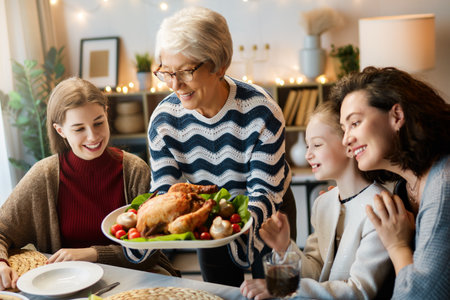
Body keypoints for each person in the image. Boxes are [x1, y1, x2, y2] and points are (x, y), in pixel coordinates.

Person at [143, 6, 296, 286]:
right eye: (166, 72)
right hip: (208, 212)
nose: (175, 84)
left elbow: (263, 191)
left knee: (279, 290)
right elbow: (165, 190)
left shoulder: (261, 112)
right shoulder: (163, 121)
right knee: (220, 291)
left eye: (187, 71)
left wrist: (231, 232)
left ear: (219, 65)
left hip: (270, 206)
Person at [0, 77, 178, 291]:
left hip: (136, 281)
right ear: (60, 130)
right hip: (65, 288)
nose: (93, 136)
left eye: (98, 123)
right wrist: (1, 264)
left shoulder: (134, 171)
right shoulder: (44, 175)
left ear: (106, 111)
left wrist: (92, 253)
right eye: (79, 129)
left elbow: (150, 251)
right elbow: (3, 230)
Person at [240, 101, 395, 299]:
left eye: (317, 144)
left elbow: (360, 290)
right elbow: (316, 274)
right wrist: (285, 246)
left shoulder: (379, 207)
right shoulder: (323, 203)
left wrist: (286, 286)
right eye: (307, 145)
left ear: (348, 144)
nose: (307, 155)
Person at [332, 66, 450, 299]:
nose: (346, 139)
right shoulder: (404, 187)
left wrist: (397, 246)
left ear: (397, 116)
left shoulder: (443, 186)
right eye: (344, 129)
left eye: (354, 123)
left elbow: (419, 296)